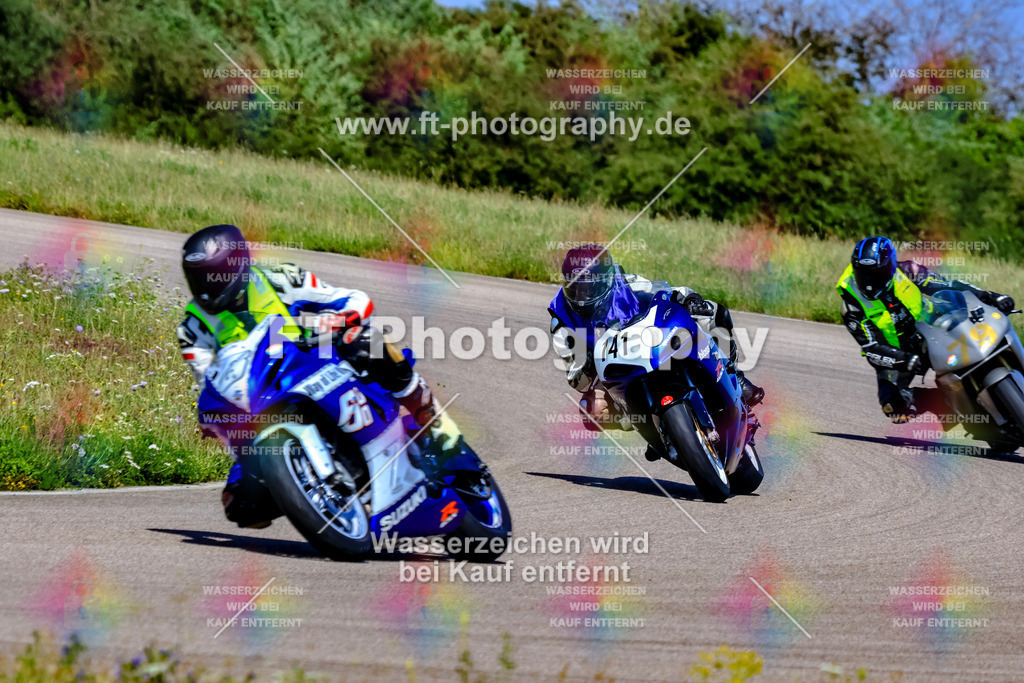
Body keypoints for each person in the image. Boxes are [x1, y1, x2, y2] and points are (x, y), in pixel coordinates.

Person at [176, 224, 463, 528]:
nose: (205, 286)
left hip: (314, 361)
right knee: (241, 506)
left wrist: (338, 320)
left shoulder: (279, 278)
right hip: (260, 400)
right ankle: (322, 495)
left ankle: (426, 410)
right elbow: (210, 384)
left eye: (212, 275)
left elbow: (356, 300)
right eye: (198, 277)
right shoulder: (192, 329)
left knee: (364, 341)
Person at [548, 244, 764, 446]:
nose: (581, 296)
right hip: (610, 368)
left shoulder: (624, 282)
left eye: (588, 288)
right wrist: (587, 366)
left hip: (647, 340)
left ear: (605, 281)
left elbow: (661, 291)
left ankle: (734, 374)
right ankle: (649, 428)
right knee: (591, 411)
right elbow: (575, 378)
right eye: (574, 287)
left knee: (712, 312)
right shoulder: (561, 319)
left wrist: (687, 299)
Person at [836, 235, 1016, 423]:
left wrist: (990, 296)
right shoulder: (851, 306)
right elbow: (871, 349)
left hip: (931, 327)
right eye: (863, 274)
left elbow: (948, 284)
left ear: (890, 266)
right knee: (893, 406)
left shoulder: (908, 271)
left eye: (876, 274)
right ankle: (950, 406)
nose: (869, 281)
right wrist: (903, 359)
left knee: (978, 337)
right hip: (898, 353)